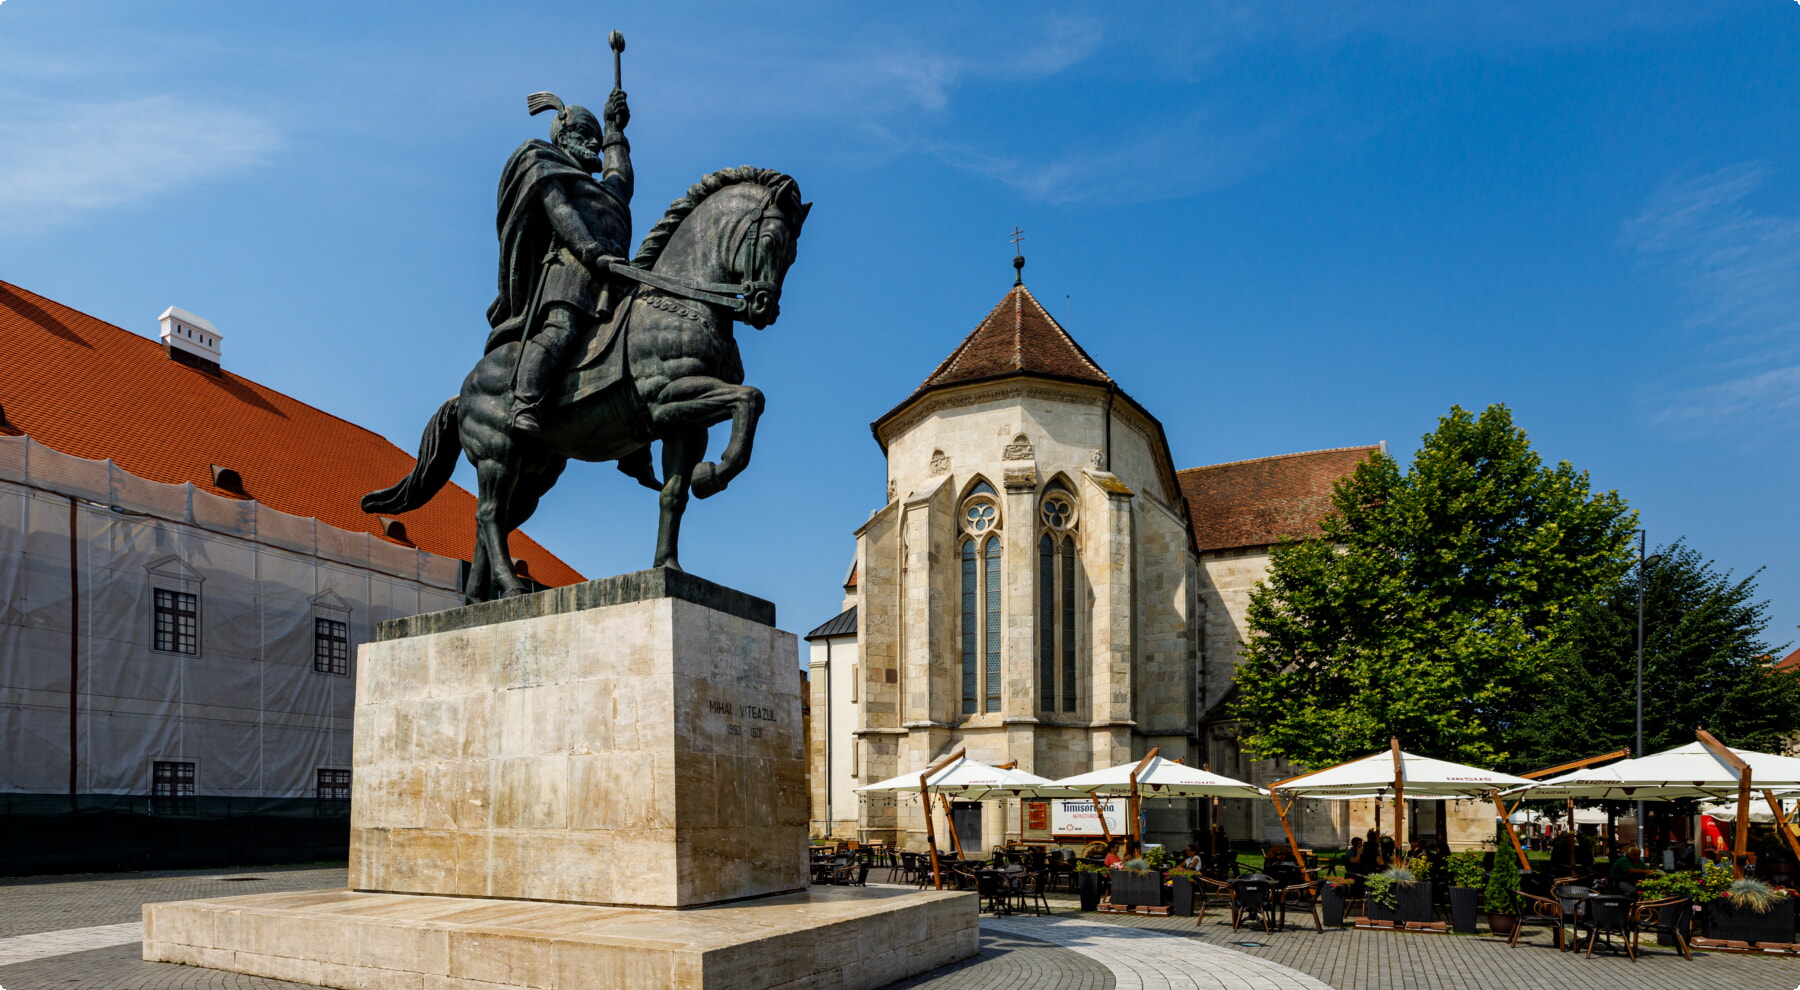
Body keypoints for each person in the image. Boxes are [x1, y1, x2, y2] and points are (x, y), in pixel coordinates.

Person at [485, 87, 635, 436]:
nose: (594, 144)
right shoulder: (546, 166)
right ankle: (525, 400)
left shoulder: (604, 190)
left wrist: (615, 130)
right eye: (586, 135)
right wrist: (588, 249)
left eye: (597, 140)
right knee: (561, 330)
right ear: (564, 135)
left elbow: (620, 178)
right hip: (571, 271)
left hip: (615, 274)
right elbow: (561, 211)